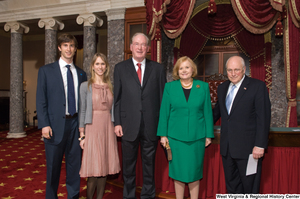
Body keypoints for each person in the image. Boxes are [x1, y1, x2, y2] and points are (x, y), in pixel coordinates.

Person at [113, 32, 166, 199]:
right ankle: (128, 196)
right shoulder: (120, 68)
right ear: (131, 47)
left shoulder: (158, 69)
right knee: (128, 166)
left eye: (143, 45)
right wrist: (117, 123)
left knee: (149, 165)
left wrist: (162, 126)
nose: (140, 47)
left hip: (151, 125)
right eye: (137, 44)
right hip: (128, 126)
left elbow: (163, 99)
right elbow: (117, 98)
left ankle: (148, 195)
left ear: (148, 48)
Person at [36, 33, 87, 199]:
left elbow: (83, 102)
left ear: (75, 49)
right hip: (54, 126)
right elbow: (41, 99)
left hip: (75, 125)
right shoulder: (46, 71)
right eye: (65, 45)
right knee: (53, 166)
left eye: (72, 46)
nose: (69, 49)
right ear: (59, 48)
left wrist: (83, 128)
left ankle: (73, 195)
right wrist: (44, 125)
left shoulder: (81, 74)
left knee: (74, 165)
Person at [157, 56, 214, 199]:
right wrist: (163, 135)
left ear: (193, 69)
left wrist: (208, 135)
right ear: (177, 71)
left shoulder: (203, 87)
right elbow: (164, 112)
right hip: (175, 139)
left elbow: (207, 112)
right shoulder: (170, 87)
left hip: (197, 138)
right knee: (178, 172)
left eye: (187, 67)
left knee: (195, 172)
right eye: (181, 68)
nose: (184, 70)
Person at [213, 56, 271, 194]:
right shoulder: (222, 88)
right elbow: (216, 114)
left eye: (237, 70)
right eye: (230, 70)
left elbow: (263, 118)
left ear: (244, 70)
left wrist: (260, 145)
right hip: (227, 149)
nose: (233, 73)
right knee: (232, 187)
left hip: (250, 150)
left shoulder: (257, 86)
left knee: (250, 188)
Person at [78, 53, 120, 199]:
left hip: (108, 126)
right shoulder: (85, 86)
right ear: (93, 66)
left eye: (103, 64)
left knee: (104, 168)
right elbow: (82, 110)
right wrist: (82, 134)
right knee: (93, 168)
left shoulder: (111, 86)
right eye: (97, 64)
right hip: (92, 126)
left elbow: (114, 108)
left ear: (106, 66)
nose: (100, 67)